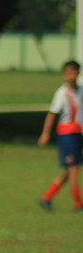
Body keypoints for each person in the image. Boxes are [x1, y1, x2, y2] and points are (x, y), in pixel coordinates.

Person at [37, 59, 83, 212]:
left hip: (78, 133)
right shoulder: (61, 94)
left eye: (73, 73)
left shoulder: (81, 90)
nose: (71, 76)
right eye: (68, 73)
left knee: (70, 170)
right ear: (64, 75)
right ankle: (78, 204)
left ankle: (46, 197)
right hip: (66, 134)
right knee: (74, 168)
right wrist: (45, 134)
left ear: (78, 73)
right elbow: (52, 114)